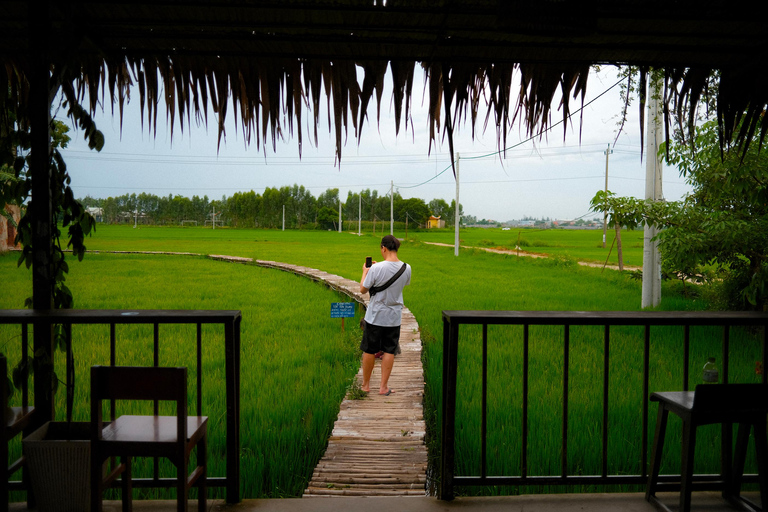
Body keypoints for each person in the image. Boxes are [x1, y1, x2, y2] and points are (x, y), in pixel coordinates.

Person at [359, 234, 411, 396]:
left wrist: (365, 272)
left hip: (375, 316)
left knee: (369, 350)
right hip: (394, 317)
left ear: (384, 248)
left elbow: (363, 289)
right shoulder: (406, 268)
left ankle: (366, 386)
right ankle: (383, 387)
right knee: (389, 350)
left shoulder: (376, 268)